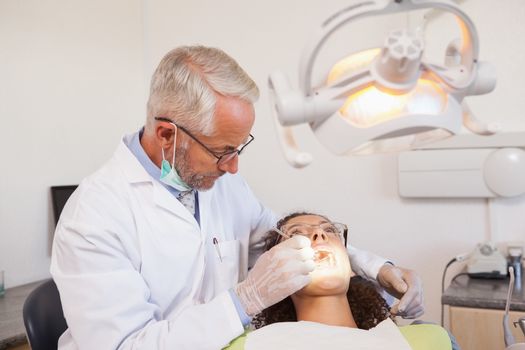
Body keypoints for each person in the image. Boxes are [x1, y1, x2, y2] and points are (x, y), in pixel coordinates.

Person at [50, 45, 423, 350]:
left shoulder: (216, 181)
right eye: (222, 151)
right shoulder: (93, 218)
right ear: (167, 136)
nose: (232, 168)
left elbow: (282, 236)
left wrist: (376, 267)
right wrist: (244, 300)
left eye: (239, 148)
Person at [226, 212, 454, 350]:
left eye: (329, 231)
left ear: (353, 269)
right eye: (297, 234)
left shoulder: (429, 340)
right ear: (275, 273)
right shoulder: (246, 345)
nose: (319, 235)